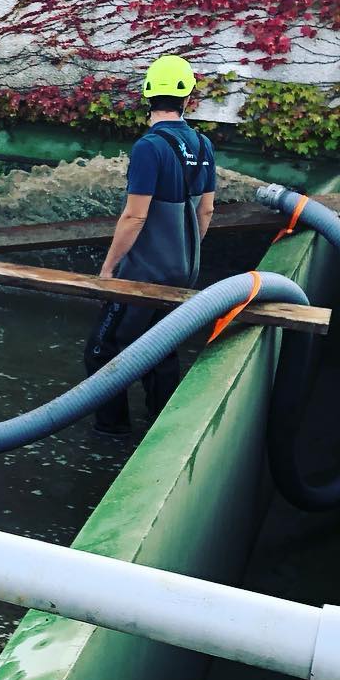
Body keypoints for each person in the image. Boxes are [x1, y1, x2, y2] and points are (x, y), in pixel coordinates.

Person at [84, 55, 217, 434]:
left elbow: (135, 216)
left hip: (144, 273)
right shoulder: (204, 144)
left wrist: (109, 269)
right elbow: (206, 211)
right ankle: (160, 433)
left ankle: (113, 433)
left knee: (102, 351)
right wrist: (183, 252)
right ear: (187, 97)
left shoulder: (148, 147)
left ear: (147, 96)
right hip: (183, 271)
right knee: (160, 352)